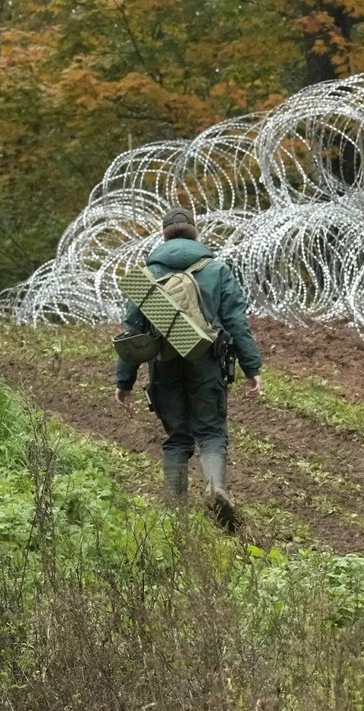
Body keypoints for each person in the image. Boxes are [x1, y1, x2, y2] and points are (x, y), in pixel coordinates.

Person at [113, 207, 263, 529]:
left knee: (178, 437)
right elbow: (237, 322)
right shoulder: (217, 269)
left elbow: (132, 331)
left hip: (163, 364)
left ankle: (173, 512)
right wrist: (252, 367)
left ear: (163, 236)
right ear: (195, 233)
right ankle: (215, 489)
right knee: (210, 431)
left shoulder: (147, 275)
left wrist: (123, 381)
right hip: (207, 360)